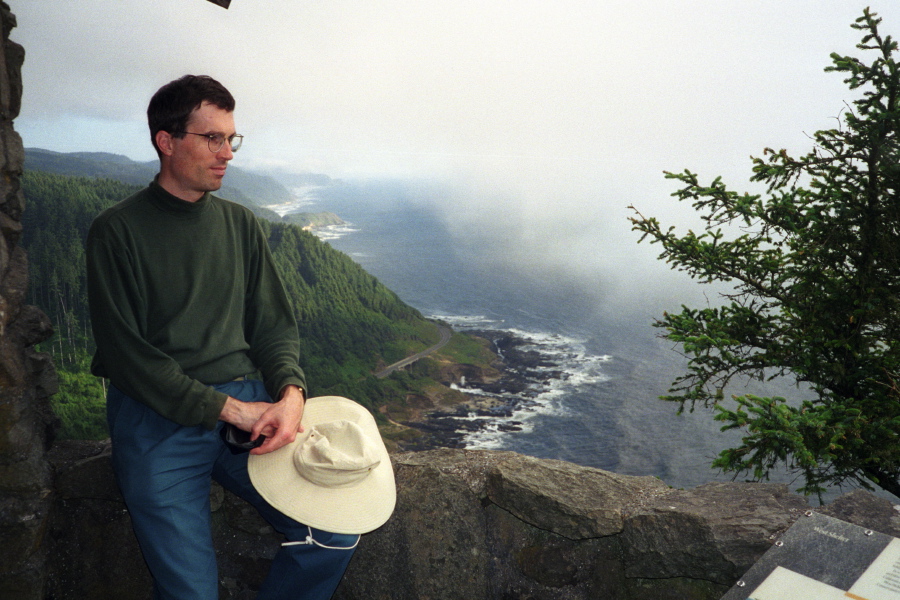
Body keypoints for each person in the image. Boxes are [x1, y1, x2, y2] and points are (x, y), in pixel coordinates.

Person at [86, 74, 359, 599]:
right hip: (155, 421)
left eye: (231, 138)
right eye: (212, 138)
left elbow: (273, 326)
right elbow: (128, 357)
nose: (227, 153)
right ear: (167, 142)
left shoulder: (241, 225)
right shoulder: (117, 230)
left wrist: (291, 394)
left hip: (252, 407)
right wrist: (230, 410)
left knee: (334, 532)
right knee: (191, 594)